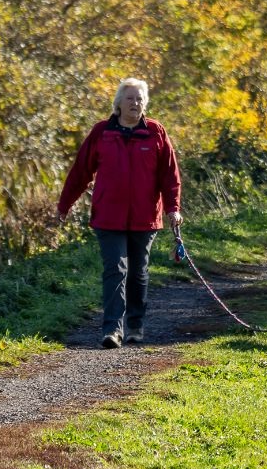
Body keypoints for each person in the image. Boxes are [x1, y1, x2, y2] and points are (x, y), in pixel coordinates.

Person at [58, 77, 182, 348]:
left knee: (138, 272)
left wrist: (173, 209)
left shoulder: (156, 132)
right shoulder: (102, 132)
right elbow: (80, 172)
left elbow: (169, 175)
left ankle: (135, 325)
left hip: (145, 216)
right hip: (108, 216)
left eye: (140, 99)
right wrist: (63, 207)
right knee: (115, 268)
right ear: (118, 103)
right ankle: (112, 329)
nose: (135, 103)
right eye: (130, 99)